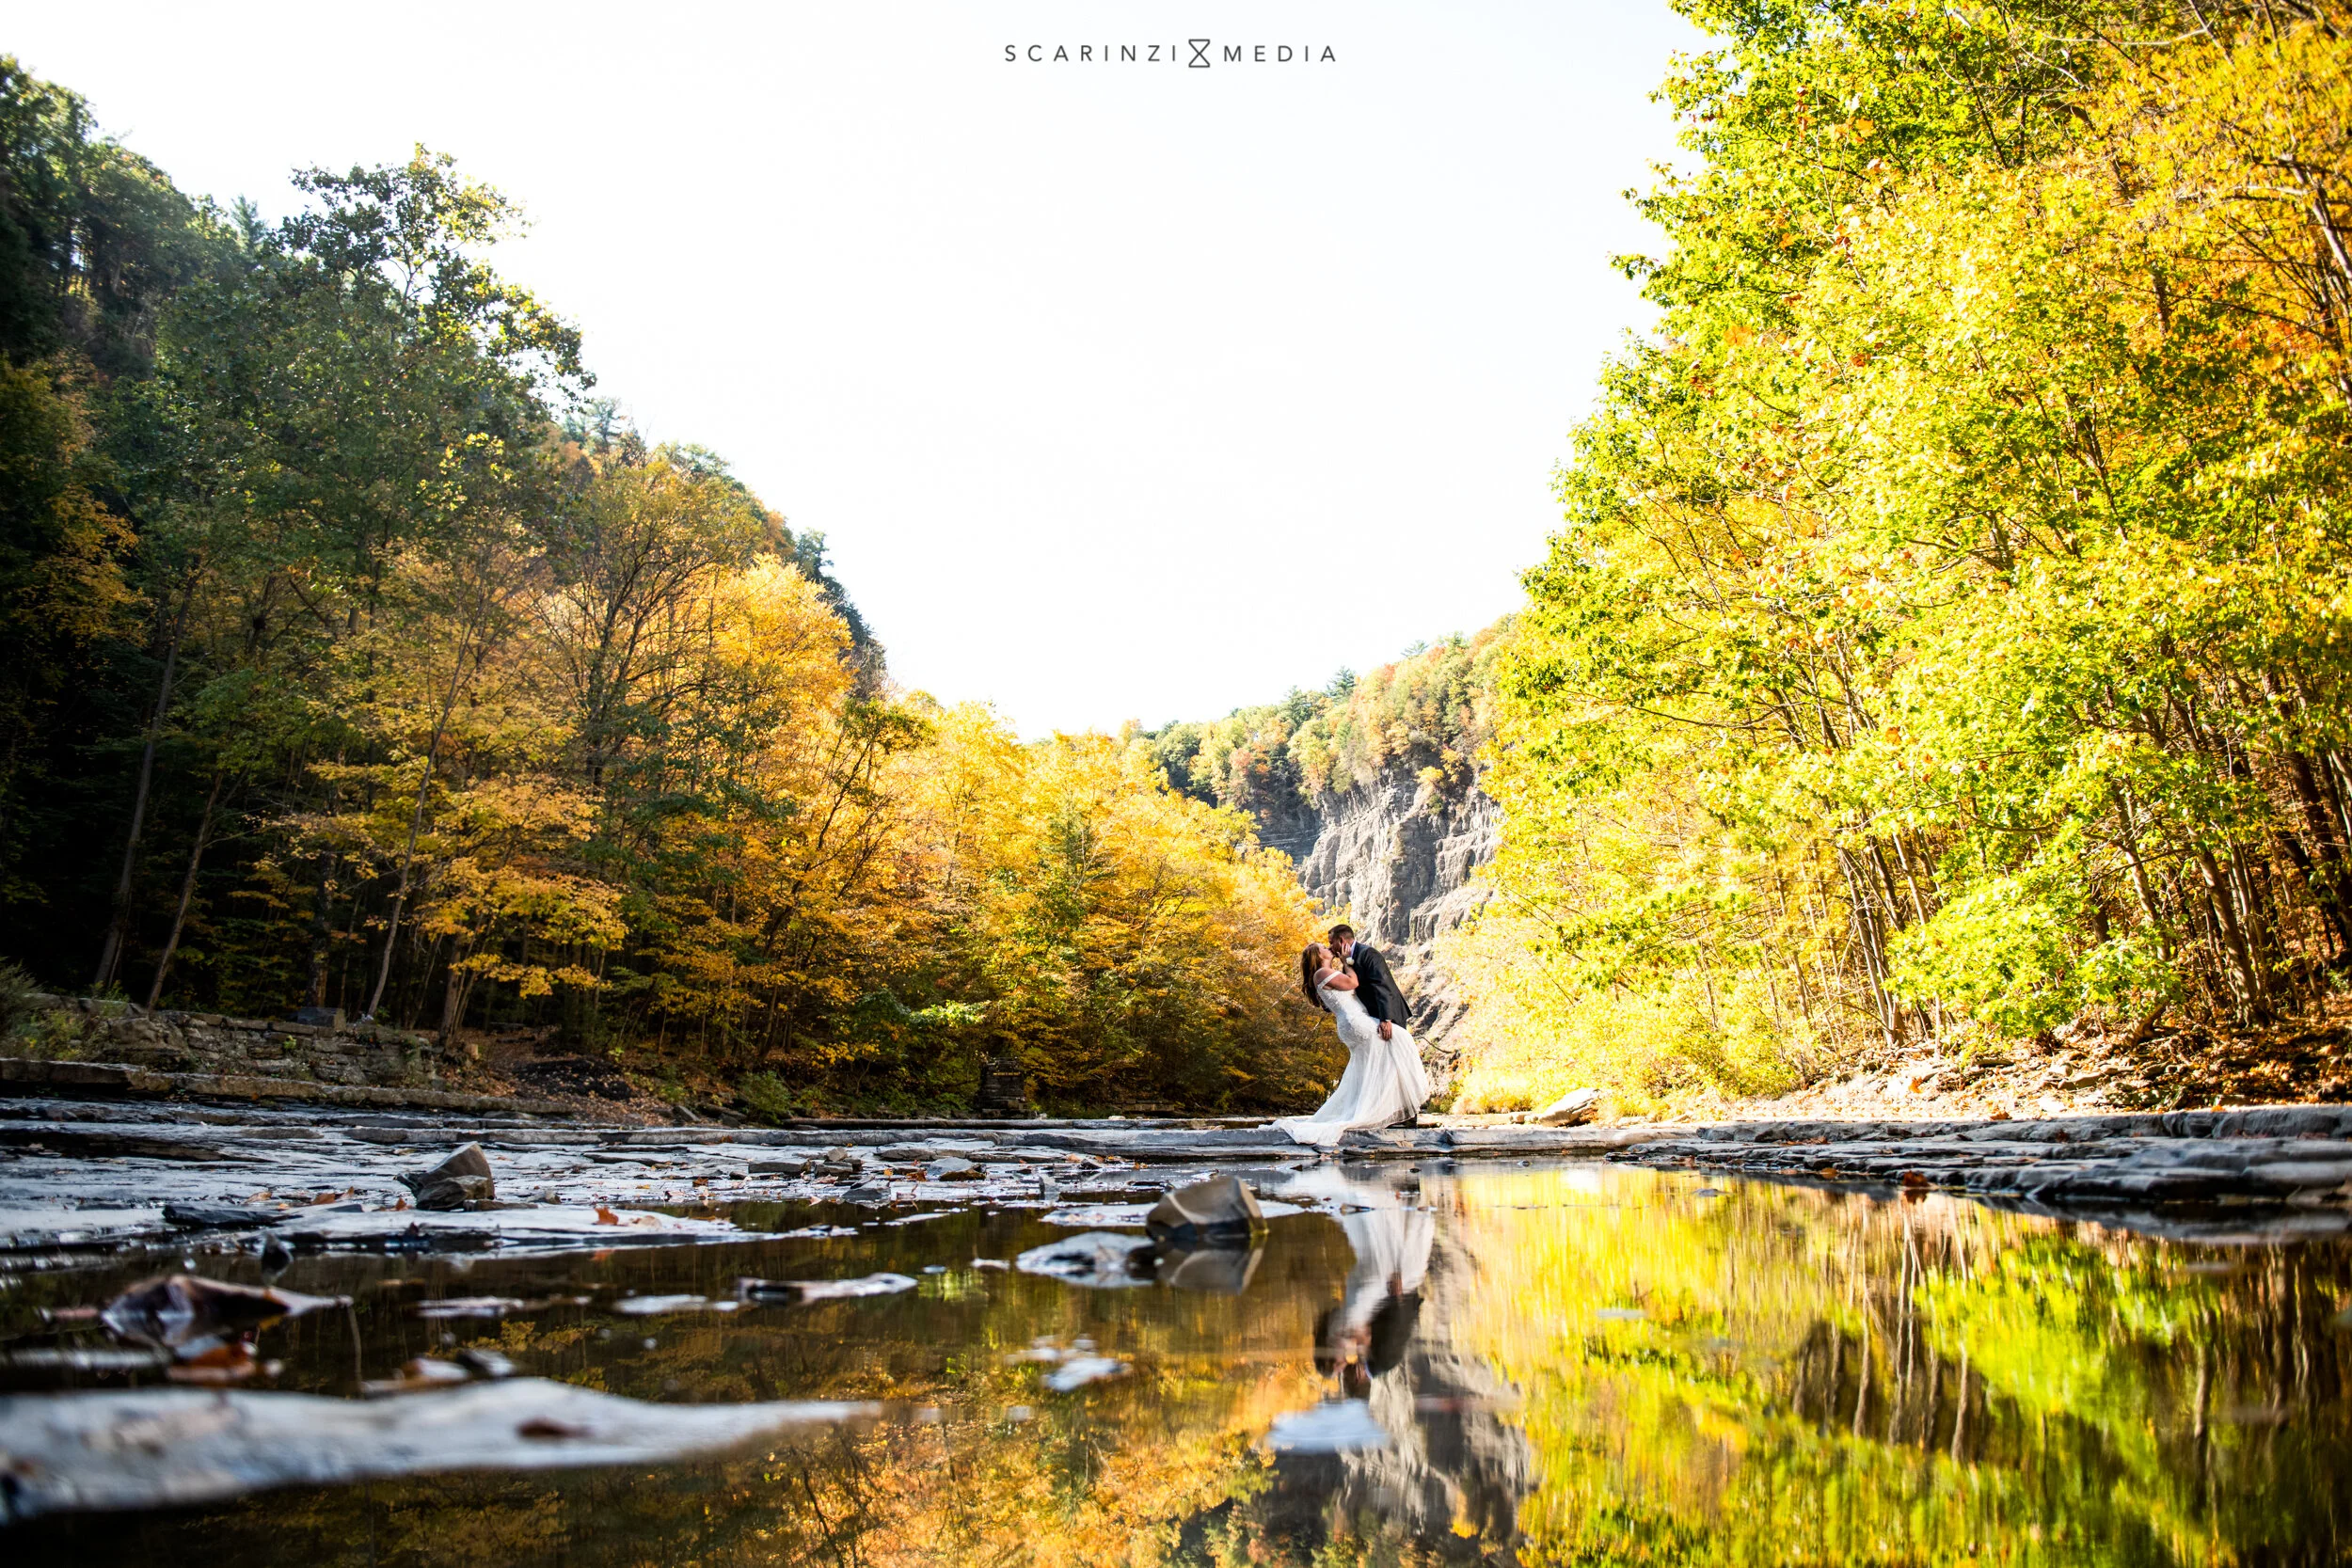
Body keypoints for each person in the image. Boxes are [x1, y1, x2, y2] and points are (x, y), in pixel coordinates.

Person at [1274, 930, 1432, 1147]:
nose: (1328, 947)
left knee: (1373, 1063)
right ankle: (1389, 1111)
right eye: (1324, 947)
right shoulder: (1321, 973)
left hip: (1353, 1022)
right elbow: (1352, 983)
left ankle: (1392, 1111)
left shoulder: (1327, 971)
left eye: (1329, 943)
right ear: (1317, 956)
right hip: (1356, 1022)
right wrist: (1347, 962)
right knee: (1401, 1040)